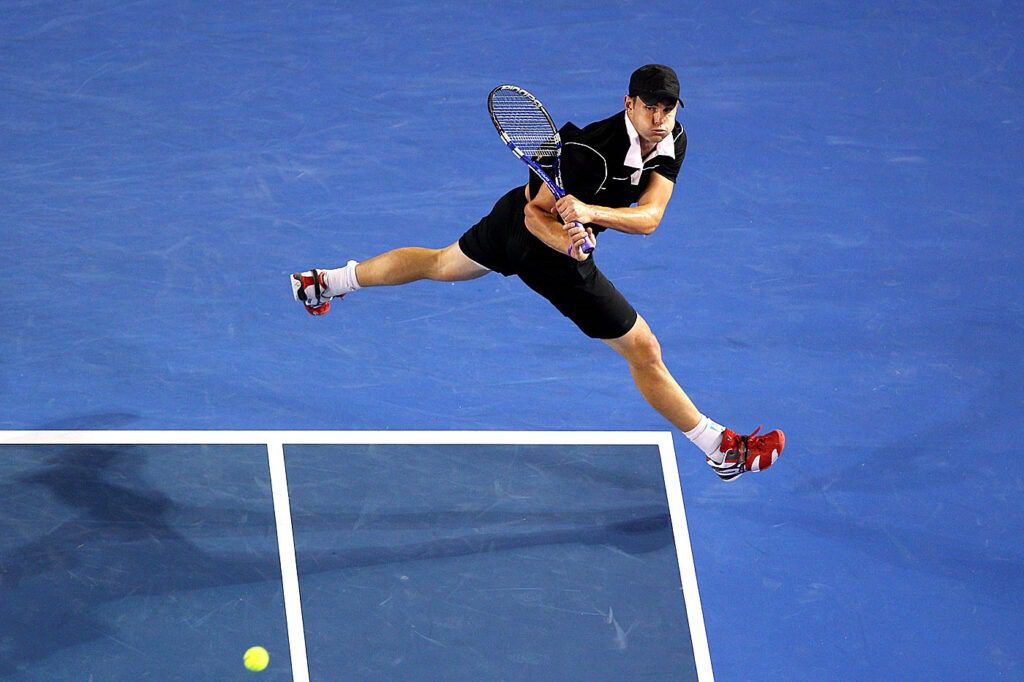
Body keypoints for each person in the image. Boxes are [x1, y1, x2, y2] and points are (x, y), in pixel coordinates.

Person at [290, 64, 784, 482]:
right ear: (628, 103)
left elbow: (650, 216)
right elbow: (535, 217)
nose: (659, 119)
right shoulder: (588, 153)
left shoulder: (672, 139)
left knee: (441, 263)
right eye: (649, 107)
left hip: (524, 223)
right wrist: (569, 245)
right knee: (644, 349)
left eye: (668, 108)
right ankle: (721, 448)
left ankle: (326, 282)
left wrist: (589, 214)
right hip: (535, 240)